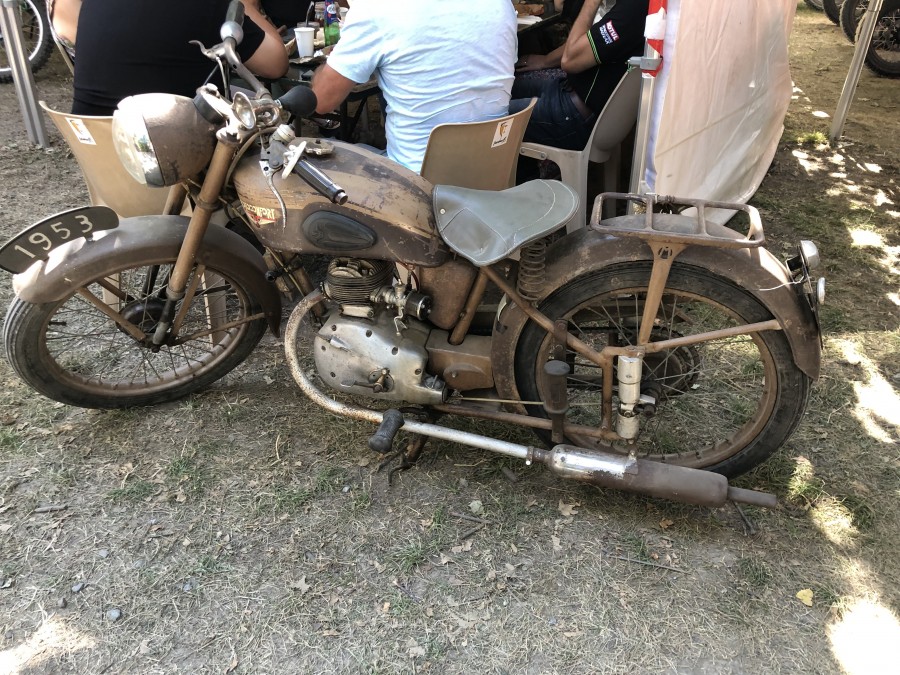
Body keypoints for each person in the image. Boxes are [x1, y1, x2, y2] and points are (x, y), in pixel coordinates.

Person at [310, 0, 517, 174]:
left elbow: (320, 101)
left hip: (417, 188)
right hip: (493, 179)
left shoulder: (377, 8)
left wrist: (331, 63)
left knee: (314, 162)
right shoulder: (501, 4)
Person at [71, 0, 289, 116]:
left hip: (101, 159)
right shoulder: (209, 4)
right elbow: (275, 64)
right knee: (261, 109)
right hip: (178, 163)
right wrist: (244, 4)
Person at [509, 0, 648, 151]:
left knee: (491, 113)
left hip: (574, 114)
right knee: (509, 85)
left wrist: (591, 3)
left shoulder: (633, 9)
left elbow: (569, 60)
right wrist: (545, 61)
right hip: (568, 89)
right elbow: (586, 42)